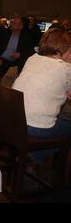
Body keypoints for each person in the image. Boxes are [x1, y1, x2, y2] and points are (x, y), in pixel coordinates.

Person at [12, 28, 71, 162]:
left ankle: (31, 157)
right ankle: (35, 157)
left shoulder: (32, 58)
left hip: (13, 121)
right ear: (60, 50)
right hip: (36, 127)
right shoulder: (65, 68)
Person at [0, 16, 35, 83]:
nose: (11, 24)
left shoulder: (26, 38)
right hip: (0, 61)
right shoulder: (4, 34)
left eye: (14, 23)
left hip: (14, 64)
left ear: (21, 26)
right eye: (12, 22)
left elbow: (31, 52)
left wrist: (20, 54)